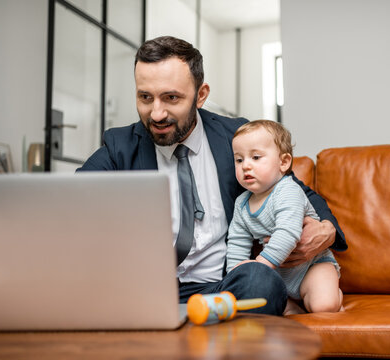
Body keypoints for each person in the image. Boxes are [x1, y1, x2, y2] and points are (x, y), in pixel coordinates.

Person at [77, 35, 347, 315]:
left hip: (222, 287)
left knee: (260, 280)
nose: (156, 114)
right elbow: (73, 200)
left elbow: (296, 191)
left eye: (171, 98)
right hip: (142, 289)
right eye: (145, 97)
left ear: (201, 95)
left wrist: (326, 229)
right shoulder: (120, 146)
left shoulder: (238, 138)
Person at [226, 120, 343, 314]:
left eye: (255, 157)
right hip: (279, 274)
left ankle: (335, 296)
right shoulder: (242, 203)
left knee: (324, 306)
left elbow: (287, 232)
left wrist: (260, 266)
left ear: (284, 162)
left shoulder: (288, 190)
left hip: (311, 268)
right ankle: (292, 305)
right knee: (272, 308)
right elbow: (237, 242)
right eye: (239, 160)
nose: (246, 165)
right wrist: (235, 276)